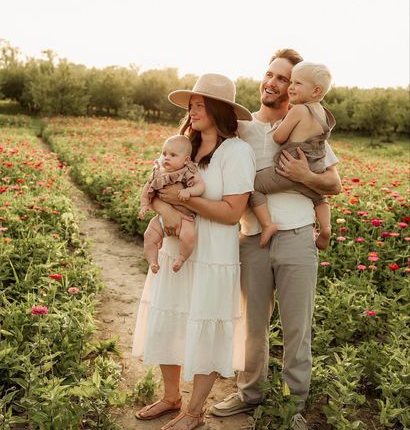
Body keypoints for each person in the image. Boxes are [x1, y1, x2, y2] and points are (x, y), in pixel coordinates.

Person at [206, 49, 342, 430]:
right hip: (253, 239)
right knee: (252, 325)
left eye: (283, 78)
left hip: (298, 238)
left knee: (298, 326)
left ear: (296, 88)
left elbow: (333, 184)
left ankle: (293, 404)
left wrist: (306, 175)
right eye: (270, 74)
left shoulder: (308, 125)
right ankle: (250, 394)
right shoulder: (241, 129)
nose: (272, 82)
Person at [132, 73, 255, 430]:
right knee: (170, 317)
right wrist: (167, 210)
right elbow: (154, 188)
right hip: (176, 249)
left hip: (214, 254)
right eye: (191, 105)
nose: (193, 110)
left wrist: (188, 202)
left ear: (220, 110)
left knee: (207, 322)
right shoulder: (181, 145)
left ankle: (195, 411)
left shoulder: (236, 152)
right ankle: (171, 397)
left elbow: (233, 212)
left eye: (201, 105)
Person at [249, 61, 336, 251]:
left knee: (252, 186)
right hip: (315, 165)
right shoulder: (323, 114)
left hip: (287, 168)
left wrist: (281, 126)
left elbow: (279, 137)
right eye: (292, 82)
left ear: (315, 91)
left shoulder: (297, 111)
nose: (291, 88)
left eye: (294, 83)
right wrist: (310, 177)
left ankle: (267, 224)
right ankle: (326, 228)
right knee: (319, 199)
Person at [139, 134, 205, 273]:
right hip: (161, 218)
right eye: (164, 153)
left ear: (186, 160)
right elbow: (147, 189)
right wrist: (144, 204)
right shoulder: (158, 172)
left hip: (184, 218)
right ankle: (152, 262)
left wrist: (190, 192)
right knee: (149, 236)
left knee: (189, 235)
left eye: (173, 155)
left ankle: (181, 258)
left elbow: (201, 186)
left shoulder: (187, 171)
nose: (166, 157)